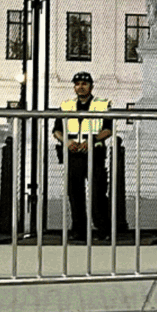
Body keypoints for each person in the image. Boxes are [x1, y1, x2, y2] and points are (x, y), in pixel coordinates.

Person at [51, 71, 117, 241]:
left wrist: (92, 140)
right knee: (75, 194)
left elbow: (108, 129)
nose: (80, 87)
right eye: (77, 84)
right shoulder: (66, 106)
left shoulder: (102, 105)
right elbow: (56, 130)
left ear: (91, 86)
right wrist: (66, 141)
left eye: (84, 84)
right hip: (73, 155)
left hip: (94, 154)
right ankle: (79, 230)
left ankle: (103, 230)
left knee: (98, 194)